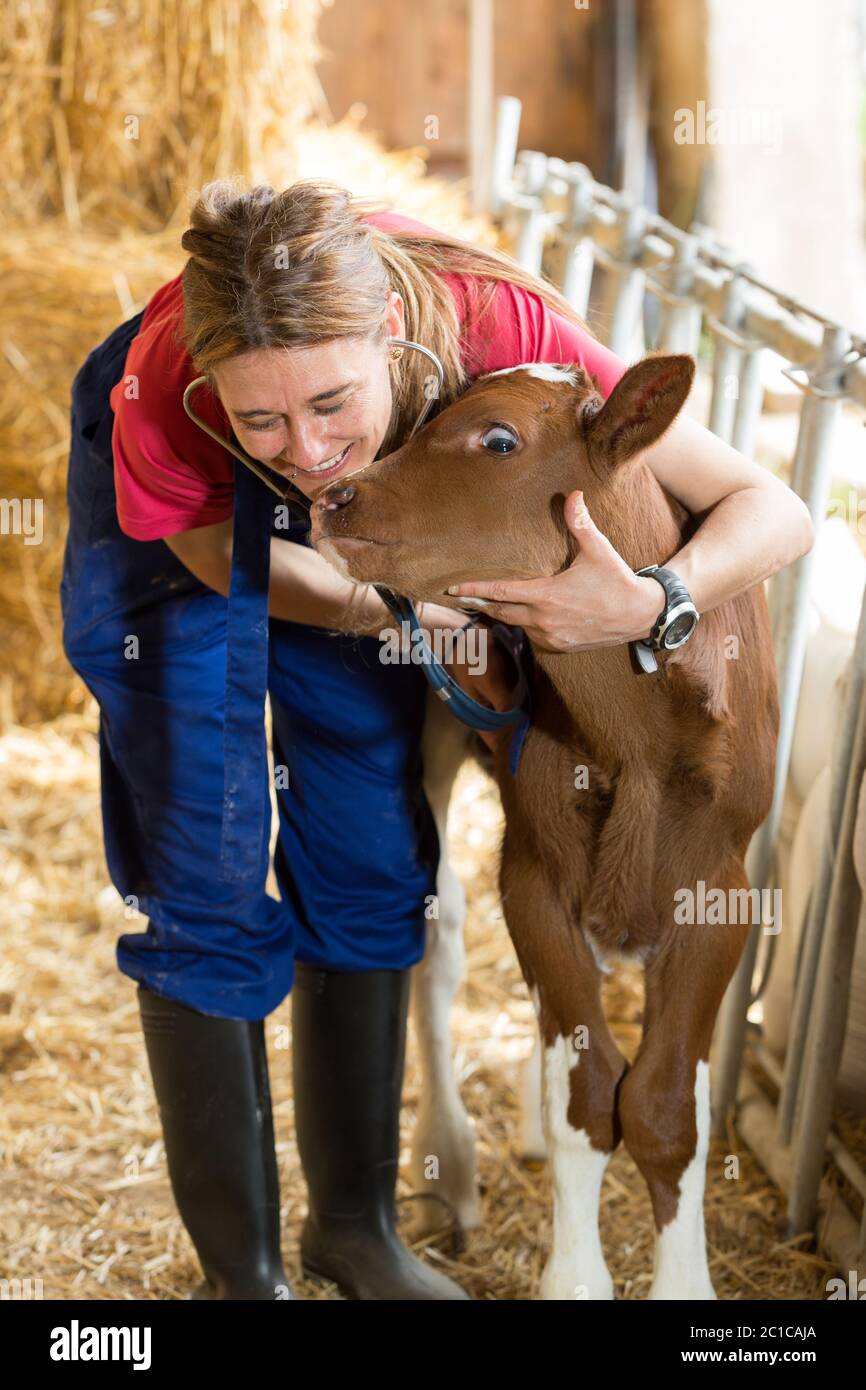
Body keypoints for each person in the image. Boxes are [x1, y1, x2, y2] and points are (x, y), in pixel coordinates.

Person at [60, 178, 812, 1302]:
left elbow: (776, 508)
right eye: (262, 416)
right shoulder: (168, 396)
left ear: (396, 339)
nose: (306, 449)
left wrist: (647, 602)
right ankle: (244, 1276)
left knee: (367, 830)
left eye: (329, 404)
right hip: (223, 533)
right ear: (214, 390)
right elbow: (232, 564)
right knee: (200, 843)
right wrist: (411, 611)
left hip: (402, 506)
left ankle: (354, 1229)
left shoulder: (504, 328)